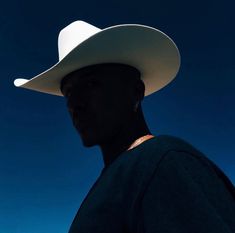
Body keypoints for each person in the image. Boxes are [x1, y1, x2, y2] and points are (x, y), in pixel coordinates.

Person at [14, 21, 235, 233]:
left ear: (136, 92)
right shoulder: (118, 181)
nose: (75, 104)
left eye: (91, 84)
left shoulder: (163, 162)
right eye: (68, 93)